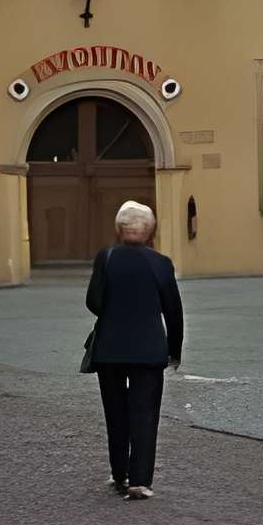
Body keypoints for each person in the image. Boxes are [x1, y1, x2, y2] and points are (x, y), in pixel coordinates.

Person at [83, 200, 181, 498]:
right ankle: (140, 481)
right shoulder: (161, 263)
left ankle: (120, 473)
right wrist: (174, 350)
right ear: (150, 231)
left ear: (119, 229)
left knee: (115, 413)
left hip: (110, 349)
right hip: (149, 349)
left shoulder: (106, 257)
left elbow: (93, 302)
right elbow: (173, 311)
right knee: (145, 414)